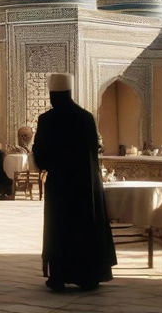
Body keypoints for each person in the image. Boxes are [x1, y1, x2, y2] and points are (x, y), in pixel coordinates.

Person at [32, 72, 116, 292]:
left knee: (60, 228)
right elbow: (93, 151)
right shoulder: (85, 117)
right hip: (86, 184)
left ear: (52, 95)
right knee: (85, 226)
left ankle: (59, 276)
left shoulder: (47, 120)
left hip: (60, 185)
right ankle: (88, 276)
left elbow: (39, 154)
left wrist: (50, 166)